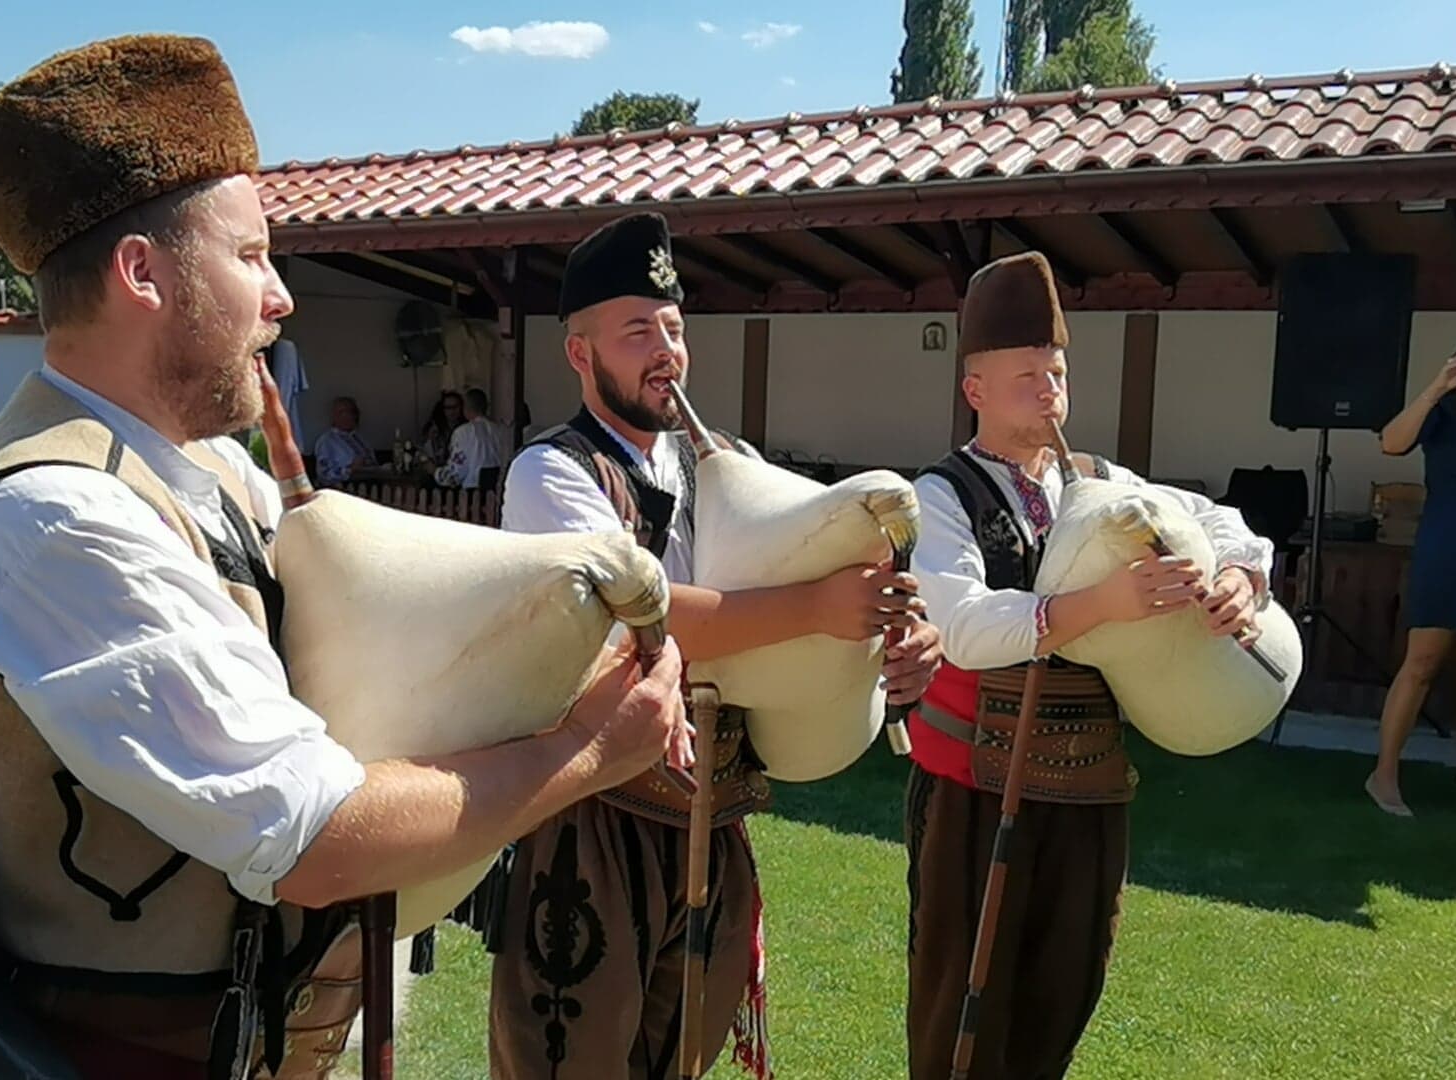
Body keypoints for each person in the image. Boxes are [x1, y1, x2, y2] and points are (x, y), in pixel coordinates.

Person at [0, 35, 688, 1079]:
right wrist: (592, 751)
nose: (280, 296)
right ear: (142, 274)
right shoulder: (56, 517)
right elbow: (315, 838)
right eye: (249, 257)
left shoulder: (206, 475)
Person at [492, 210, 944, 1079]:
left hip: (718, 808)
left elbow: (810, 565)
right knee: (571, 1064)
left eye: (674, 329)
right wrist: (818, 605)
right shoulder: (550, 472)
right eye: (637, 332)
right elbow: (646, 618)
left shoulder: (726, 464)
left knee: (682, 1062)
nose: (665, 352)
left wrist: (894, 631)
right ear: (580, 353)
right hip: (595, 823)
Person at [904, 251, 1274, 1080]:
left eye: (1057, 374)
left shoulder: (1102, 483)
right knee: (963, 1008)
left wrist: (1238, 576)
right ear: (975, 389)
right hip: (976, 783)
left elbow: (1220, 518)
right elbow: (963, 626)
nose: (1049, 392)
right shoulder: (943, 494)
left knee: (1063, 993)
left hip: (1090, 782)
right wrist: (1101, 604)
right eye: (1027, 376)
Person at [1367, 331, 1456, 815]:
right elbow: (1391, 443)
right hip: (1447, 546)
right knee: (1423, 663)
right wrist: (1439, 384)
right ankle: (1383, 776)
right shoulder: (1445, 409)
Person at [436, 387, 511, 489]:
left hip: (472, 492)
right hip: (497, 490)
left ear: (465, 408)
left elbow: (454, 476)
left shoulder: (463, 432)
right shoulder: (499, 431)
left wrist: (434, 471)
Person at [311, 395, 374, 487]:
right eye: (341, 412)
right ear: (334, 416)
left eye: (350, 412)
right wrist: (350, 469)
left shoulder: (361, 439)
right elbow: (324, 475)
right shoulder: (326, 441)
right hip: (343, 489)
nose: (346, 416)